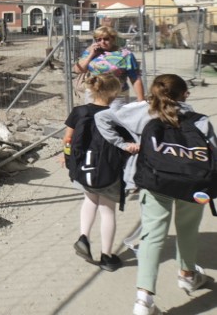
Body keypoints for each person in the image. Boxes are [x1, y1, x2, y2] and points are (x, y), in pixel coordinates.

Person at [95, 74, 217, 315]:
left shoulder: (141, 112)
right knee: (187, 230)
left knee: (152, 236)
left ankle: (144, 301)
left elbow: (101, 117)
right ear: (186, 95)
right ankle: (187, 275)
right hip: (191, 186)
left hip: (155, 181)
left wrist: (125, 145)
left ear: (153, 93)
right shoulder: (200, 121)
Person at [63, 74, 137, 272]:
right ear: (115, 92)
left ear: (92, 89)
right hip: (108, 171)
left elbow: (67, 139)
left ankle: (83, 237)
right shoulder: (117, 117)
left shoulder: (79, 111)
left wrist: (68, 160)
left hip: (85, 169)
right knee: (107, 210)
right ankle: (106, 256)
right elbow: (125, 145)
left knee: (89, 200)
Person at [73, 26, 145, 109]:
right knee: (92, 119)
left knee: (115, 120)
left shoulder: (125, 54)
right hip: (93, 94)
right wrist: (91, 55)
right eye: (98, 40)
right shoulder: (90, 51)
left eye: (106, 39)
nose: (102, 42)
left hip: (116, 96)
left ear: (113, 39)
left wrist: (141, 101)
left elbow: (135, 78)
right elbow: (79, 70)